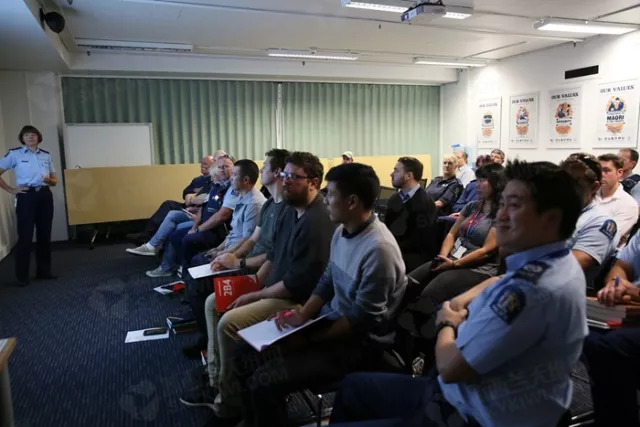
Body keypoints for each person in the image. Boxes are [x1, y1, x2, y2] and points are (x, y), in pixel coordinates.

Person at [329, 160, 586, 427]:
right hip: (472, 395)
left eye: (513, 206)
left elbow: (450, 368)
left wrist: (447, 322)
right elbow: (501, 278)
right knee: (354, 386)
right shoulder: (558, 262)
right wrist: (460, 300)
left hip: (465, 412)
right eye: (502, 204)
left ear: (550, 218)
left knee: (360, 389)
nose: (501, 216)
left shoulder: (526, 292)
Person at [236, 163, 407, 427]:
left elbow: (361, 320)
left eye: (331, 194)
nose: (325, 199)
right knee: (243, 352)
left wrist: (308, 338)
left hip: (359, 344)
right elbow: (327, 280)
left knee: (264, 380)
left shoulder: (379, 250)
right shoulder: (342, 230)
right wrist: (302, 316)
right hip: (329, 323)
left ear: (352, 201)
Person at [179, 152, 334, 422]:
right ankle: (216, 382)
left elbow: (295, 285)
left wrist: (255, 294)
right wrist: (252, 284)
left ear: (313, 182)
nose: (285, 181)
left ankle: (228, 404)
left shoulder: (316, 222)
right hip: (274, 287)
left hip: (294, 300)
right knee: (213, 302)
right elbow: (273, 255)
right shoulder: (289, 210)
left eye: (293, 177)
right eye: (284, 174)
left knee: (228, 323)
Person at [400, 162, 504, 339]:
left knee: (429, 294)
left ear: (497, 183)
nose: (477, 185)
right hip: (451, 259)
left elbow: (487, 250)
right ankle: (397, 329)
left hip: (478, 268)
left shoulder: (501, 214)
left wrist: (454, 264)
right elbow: (451, 234)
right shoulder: (472, 206)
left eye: (483, 181)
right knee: (407, 283)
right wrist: (443, 256)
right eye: (477, 180)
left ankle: (418, 341)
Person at [141, 155, 237, 277]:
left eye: (226, 166)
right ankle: (183, 266)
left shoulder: (232, 189)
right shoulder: (216, 186)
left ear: (234, 168)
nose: (222, 169)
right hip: (203, 225)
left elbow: (221, 216)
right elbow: (203, 207)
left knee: (187, 238)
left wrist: (197, 229)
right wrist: (195, 226)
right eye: (220, 167)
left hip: (218, 231)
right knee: (175, 235)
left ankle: (186, 270)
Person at [584, 232, 640, 426]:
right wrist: (615, 287)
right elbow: (620, 268)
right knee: (566, 319)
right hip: (628, 308)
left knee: (605, 345)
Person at [125, 156, 225, 257]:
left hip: (197, 212)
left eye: (205, 164)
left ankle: (154, 247)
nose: (202, 165)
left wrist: (193, 199)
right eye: (201, 163)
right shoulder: (198, 180)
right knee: (169, 207)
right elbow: (186, 193)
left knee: (174, 223)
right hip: (190, 208)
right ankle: (151, 243)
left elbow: (204, 200)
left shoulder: (218, 185)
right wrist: (191, 197)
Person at [0, 125, 57, 286]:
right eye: (27, 135)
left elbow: (54, 181)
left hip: (44, 195)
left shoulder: (46, 155)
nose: (30, 137)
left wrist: (48, 180)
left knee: (44, 234)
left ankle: (44, 272)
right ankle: (22, 276)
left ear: (38, 137)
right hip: (27, 196)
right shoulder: (15, 154)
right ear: (22, 138)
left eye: (33, 134)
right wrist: (11, 189)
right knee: (25, 236)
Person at [562, 154, 617, 287]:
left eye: (575, 184)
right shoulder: (557, 212)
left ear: (594, 187)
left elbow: (566, 268)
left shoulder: (600, 222)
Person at [385, 157, 437, 272]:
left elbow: (419, 241)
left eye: (396, 171)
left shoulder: (424, 203)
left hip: (412, 258)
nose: (391, 174)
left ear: (409, 175)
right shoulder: (395, 199)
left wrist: (389, 248)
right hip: (394, 250)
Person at [595, 153, 637, 244]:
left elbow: (605, 237)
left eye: (606, 170)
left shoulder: (628, 204)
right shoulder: (589, 195)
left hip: (605, 250)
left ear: (619, 173)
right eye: (598, 170)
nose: (601, 175)